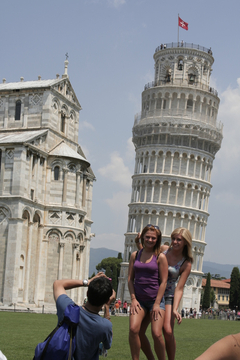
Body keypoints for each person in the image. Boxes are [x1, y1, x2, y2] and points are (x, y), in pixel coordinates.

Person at [136, 227, 193, 360]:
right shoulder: (163, 250)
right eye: (173, 238)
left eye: (179, 240)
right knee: (140, 331)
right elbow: (146, 254)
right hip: (154, 291)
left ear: (186, 242)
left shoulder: (186, 263)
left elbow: (179, 288)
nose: (175, 242)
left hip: (169, 296)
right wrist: (137, 243)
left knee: (167, 331)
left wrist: (175, 309)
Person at [53, 272, 116, 360]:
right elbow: (107, 345)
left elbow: (58, 284)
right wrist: (107, 306)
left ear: (87, 293)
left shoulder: (67, 309)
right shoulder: (105, 325)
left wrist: (87, 282)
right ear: (106, 300)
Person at [128, 224, 168, 360]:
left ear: (158, 240)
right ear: (143, 237)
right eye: (148, 237)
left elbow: (163, 282)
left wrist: (157, 304)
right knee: (134, 330)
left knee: (156, 334)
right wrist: (133, 299)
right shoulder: (135, 255)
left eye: (153, 238)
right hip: (139, 300)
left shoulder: (160, 257)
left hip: (154, 301)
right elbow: (130, 279)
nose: (150, 240)